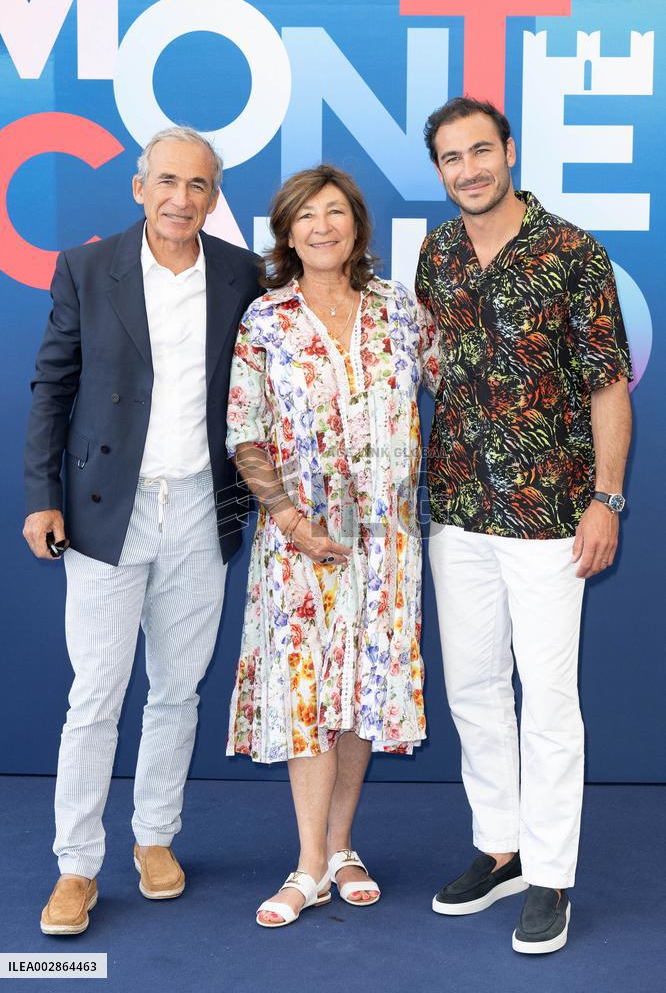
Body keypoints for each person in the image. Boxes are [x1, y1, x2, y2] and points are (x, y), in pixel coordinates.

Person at [23, 126, 262, 935]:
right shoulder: (88, 269)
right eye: (167, 181)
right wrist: (38, 495)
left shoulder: (243, 275)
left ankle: (155, 837)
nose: (180, 199)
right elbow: (51, 386)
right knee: (94, 696)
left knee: (177, 689)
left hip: (201, 505)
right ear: (138, 186)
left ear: (213, 196)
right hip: (102, 511)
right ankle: (75, 867)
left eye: (198, 186)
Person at [416, 97, 632, 954]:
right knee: (473, 689)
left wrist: (605, 498)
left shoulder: (575, 254)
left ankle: (550, 876)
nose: (466, 170)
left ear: (509, 151)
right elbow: (437, 360)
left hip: (550, 515)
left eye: (479, 152)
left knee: (547, 702)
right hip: (456, 508)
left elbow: (609, 386)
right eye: (449, 158)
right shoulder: (435, 250)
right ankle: (500, 846)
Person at [226, 165, 440, 927]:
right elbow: (246, 432)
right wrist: (288, 519)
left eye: (337, 212)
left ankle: (343, 845)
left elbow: (460, 388)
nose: (323, 226)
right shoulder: (266, 321)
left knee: (361, 695)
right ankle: (309, 864)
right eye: (306, 215)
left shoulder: (401, 313)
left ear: (357, 226)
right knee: (311, 696)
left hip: (386, 546)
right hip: (299, 546)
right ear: (287, 232)